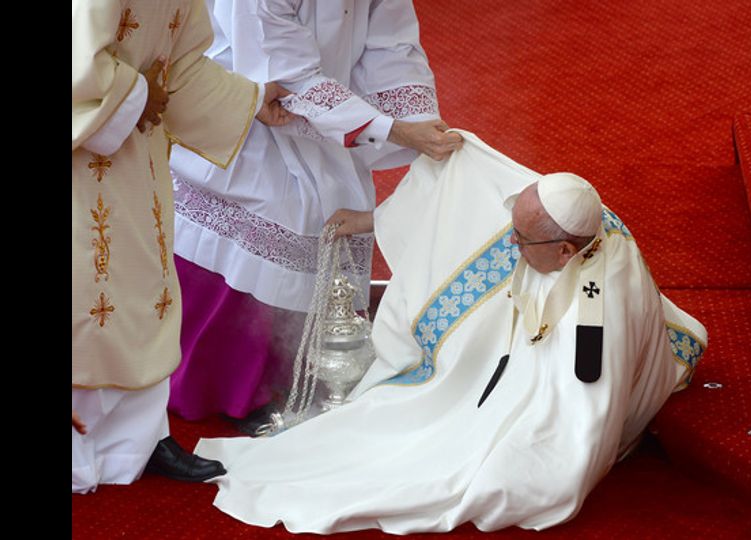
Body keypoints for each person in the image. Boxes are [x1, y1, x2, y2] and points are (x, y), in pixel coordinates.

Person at [193, 131, 707, 534]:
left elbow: (582, 417)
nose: (510, 243)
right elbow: (473, 198)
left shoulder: (596, 311)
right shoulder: (563, 209)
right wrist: (375, 219)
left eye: (521, 239)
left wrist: (516, 448)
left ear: (566, 254)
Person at [166, 0, 463, 425]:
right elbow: (282, 74)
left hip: (332, 114)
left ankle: (309, 372)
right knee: (280, 211)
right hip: (251, 108)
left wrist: (422, 123)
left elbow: (393, 47)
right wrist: (392, 130)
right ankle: (236, 387)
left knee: (339, 205)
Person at [72, 0, 294, 494]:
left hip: (139, 153)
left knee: (144, 292)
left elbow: (182, 61)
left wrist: (250, 99)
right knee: (87, 298)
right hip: (85, 159)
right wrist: (135, 94)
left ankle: (141, 439)